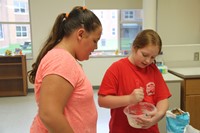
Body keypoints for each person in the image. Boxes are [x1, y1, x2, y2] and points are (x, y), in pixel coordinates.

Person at [28, 6, 102, 133]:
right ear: (81, 34)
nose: (96, 47)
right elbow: (49, 114)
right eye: (95, 41)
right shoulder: (61, 60)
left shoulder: (64, 58)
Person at [98, 29, 171, 133]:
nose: (148, 61)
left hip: (149, 129)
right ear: (134, 48)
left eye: (153, 57)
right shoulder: (117, 69)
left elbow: (162, 99)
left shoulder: (153, 70)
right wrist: (129, 99)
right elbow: (102, 101)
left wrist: (158, 115)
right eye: (145, 55)